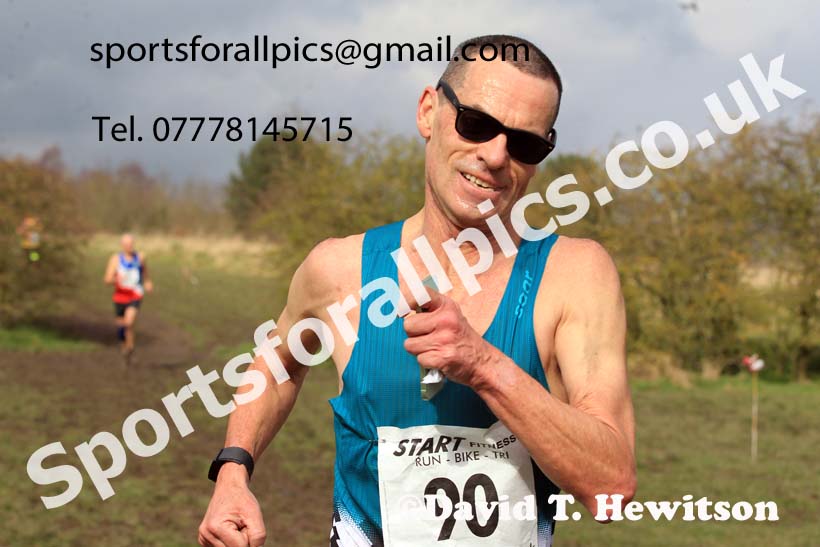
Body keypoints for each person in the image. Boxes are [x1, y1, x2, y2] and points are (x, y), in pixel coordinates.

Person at [199, 34, 636, 547]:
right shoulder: (339, 270)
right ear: (429, 111)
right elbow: (276, 367)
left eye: (524, 143)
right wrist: (233, 472)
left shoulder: (575, 275)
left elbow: (612, 487)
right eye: (477, 124)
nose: (496, 156)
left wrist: (484, 366)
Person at [104, 233, 152, 365]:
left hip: (135, 294)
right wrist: (116, 279)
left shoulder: (140, 257)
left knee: (129, 322)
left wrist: (147, 282)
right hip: (120, 296)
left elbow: (145, 271)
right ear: (122, 246)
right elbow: (107, 279)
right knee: (121, 327)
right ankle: (124, 346)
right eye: (127, 244)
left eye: (131, 244)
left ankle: (130, 348)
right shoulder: (115, 259)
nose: (130, 247)